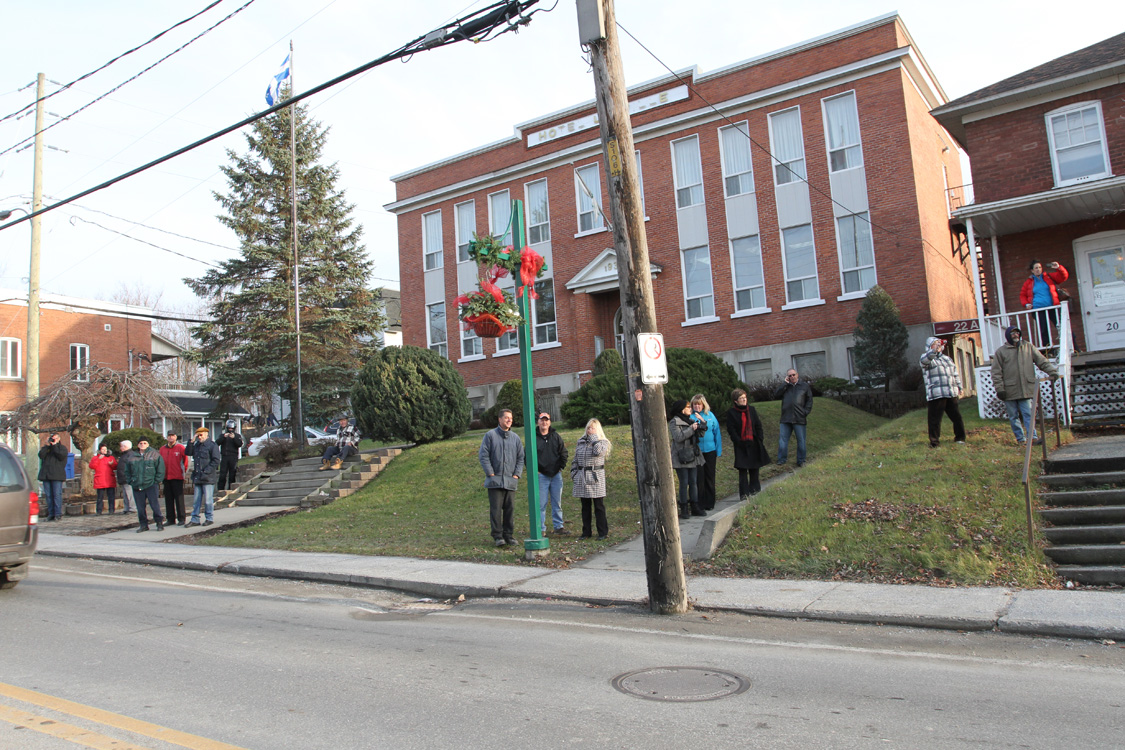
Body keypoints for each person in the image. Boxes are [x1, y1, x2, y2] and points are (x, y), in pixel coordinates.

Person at [991, 325, 1059, 446]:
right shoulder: (1001, 352)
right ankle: (1021, 440)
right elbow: (996, 372)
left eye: (1017, 333)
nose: (1015, 335)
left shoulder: (1028, 347)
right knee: (1013, 417)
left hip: (1026, 388)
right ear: (1008, 336)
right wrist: (1000, 389)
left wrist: (1052, 371)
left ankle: (1032, 438)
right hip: (1009, 390)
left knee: (1029, 414)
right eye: (1012, 334)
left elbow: (1041, 361)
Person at [478, 408, 524, 547]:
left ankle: (508, 535)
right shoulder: (490, 435)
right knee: (496, 510)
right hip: (495, 481)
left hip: (510, 481)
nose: (509, 420)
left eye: (511, 418)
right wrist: (491, 473)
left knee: (509, 509)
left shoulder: (515, 438)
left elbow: (520, 457)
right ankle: (498, 536)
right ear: (500, 419)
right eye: (506, 418)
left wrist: (516, 474)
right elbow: (483, 455)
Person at [920, 336, 966, 448]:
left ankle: (960, 438)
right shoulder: (926, 358)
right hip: (936, 394)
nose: (938, 346)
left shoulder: (947, 359)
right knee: (935, 420)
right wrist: (933, 351)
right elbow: (924, 361)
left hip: (950, 392)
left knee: (957, 417)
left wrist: (959, 386)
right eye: (934, 344)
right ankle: (934, 442)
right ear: (929, 346)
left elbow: (954, 373)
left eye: (938, 344)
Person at [725, 389, 770, 500]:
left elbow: (758, 425)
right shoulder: (731, 413)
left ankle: (755, 491)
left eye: (745, 397)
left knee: (755, 469)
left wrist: (760, 438)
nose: (744, 400)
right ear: (736, 401)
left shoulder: (752, 410)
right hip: (741, 444)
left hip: (754, 442)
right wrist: (738, 441)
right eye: (741, 398)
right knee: (743, 470)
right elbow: (731, 429)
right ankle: (744, 494)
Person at [571, 418, 611, 539]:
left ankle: (602, 532)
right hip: (582, 476)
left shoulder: (603, 442)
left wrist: (594, 439)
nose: (590, 430)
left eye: (593, 428)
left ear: (597, 429)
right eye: (588, 428)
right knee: (585, 506)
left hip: (596, 477)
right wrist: (574, 473)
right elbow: (575, 458)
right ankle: (586, 532)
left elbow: (598, 452)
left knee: (599, 506)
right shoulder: (581, 442)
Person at [669, 399, 705, 519]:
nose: (690, 408)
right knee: (684, 482)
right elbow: (678, 437)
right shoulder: (674, 422)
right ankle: (684, 508)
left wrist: (702, 425)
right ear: (681, 409)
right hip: (681, 455)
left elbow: (699, 435)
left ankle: (695, 506)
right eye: (688, 407)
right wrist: (692, 429)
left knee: (693, 482)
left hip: (692, 454)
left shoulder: (691, 420)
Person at [1019, 260, 1069, 348]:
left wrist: (1058, 268)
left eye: (1039, 267)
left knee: (1062, 326)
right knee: (1044, 330)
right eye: (1036, 268)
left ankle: (1073, 346)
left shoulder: (1049, 277)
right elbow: (1022, 295)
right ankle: (1048, 350)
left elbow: (1063, 277)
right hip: (1039, 309)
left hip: (1053, 307)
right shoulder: (1029, 282)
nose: (1038, 269)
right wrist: (1026, 304)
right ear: (1032, 270)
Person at [534, 411, 569, 535]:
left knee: (557, 502)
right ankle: (541, 528)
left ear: (550, 422)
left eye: (546, 420)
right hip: (541, 475)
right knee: (541, 504)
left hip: (556, 475)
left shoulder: (555, 436)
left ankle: (558, 527)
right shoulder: (533, 437)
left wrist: (561, 467)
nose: (544, 422)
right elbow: (527, 455)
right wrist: (535, 470)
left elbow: (563, 453)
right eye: (542, 420)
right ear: (538, 422)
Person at [774, 368, 813, 468]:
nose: (792, 377)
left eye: (793, 375)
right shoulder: (785, 387)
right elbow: (776, 395)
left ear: (797, 375)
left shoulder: (804, 386)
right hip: (785, 418)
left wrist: (805, 412)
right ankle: (781, 459)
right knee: (783, 440)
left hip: (799, 417)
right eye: (789, 376)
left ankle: (801, 460)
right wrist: (784, 384)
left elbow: (809, 400)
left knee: (801, 440)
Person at [690, 394, 722, 511]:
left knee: (710, 476)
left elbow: (716, 433)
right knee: (699, 477)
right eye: (695, 404)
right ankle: (700, 503)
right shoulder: (690, 417)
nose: (697, 406)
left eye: (699, 404)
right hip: (697, 452)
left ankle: (710, 502)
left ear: (703, 405)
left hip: (710, 450)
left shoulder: (710, 416)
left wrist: (718, 450)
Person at [185, 427, 220, 528]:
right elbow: (188, 452)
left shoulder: (212, 445)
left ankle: (209, 518)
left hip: (208, 477)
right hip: (197, 477)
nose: (199, 437)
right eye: (198, 435)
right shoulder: (196, 445)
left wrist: (206, 471)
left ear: (206, 434)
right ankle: (195, 519)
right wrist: (191, 441)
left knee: (208, 500)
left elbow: (216, 460)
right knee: (196, 500)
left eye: (201, 435)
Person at [128, 438, 166, 532]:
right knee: (140, 507)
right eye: (140, 443)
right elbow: (127, 471)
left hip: (150, 485)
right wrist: (131, 481)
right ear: (137, 445)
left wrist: (156, 481)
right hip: (137, 485)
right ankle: (143, 525)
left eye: (145, 443)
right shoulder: (132, 456)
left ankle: (159, 523)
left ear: (148, 444)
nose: (142, 444)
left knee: (154, 505)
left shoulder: (155, 455)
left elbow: (160, 469)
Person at [160, 432, 189, 526]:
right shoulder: (162, 449)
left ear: (176, 437)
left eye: (173, 436)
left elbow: (186, 462)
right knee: (168, 499)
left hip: (177, 477)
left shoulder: (180, 448)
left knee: (179, 499)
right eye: (169, 436)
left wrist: (183, 474)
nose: (171, 438)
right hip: (166, 477)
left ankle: (181, 518)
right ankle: (170, 519)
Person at [37, 434, 68, 521]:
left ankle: (58, 514)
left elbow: (61, 456)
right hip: (46, 475)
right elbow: (41, 455)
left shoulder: (62, 448)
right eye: (52, 438)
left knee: (56, 495)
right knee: (48, 496)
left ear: (59, 439)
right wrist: (46, 445)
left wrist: (54, 445)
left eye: (55, 438)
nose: (53, 440)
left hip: (57, 475)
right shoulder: (47, 448)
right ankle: (51, 514)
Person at [215, 419, 244, 491]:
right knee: (222, 475)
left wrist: (234, 438)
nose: (230, 430)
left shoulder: (237, 436)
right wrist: (223, 437)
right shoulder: (223, 435)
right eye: (229, 428)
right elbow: (217, 443)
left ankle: (231, 489)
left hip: (233, 457)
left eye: (231, 428)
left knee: (232, 474)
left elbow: (239, 444)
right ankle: (220, 489)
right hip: (224, 457)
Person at [89, 444, 118, 515]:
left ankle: (111, 510)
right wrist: (98, 460)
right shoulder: (95, 458)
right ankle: (99, 511)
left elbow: (115, 467)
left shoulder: (111, 457)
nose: (104, 451)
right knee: (100, 497)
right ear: (99, 450)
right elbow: (92, 466)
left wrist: (112, 464)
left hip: (109, 479)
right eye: (103, 449)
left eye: (105, 449)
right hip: (100, 479)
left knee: (111, 496)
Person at [115, 440, 138, 514]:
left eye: (121, 446)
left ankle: (132, 508)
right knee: (125, 494)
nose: (120, 448)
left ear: (125, 447)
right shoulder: (125, 455)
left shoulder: (130, 455)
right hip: (123, 478)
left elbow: (133, 467)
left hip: (127, 478)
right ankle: (127, 508)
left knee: (130, 494)